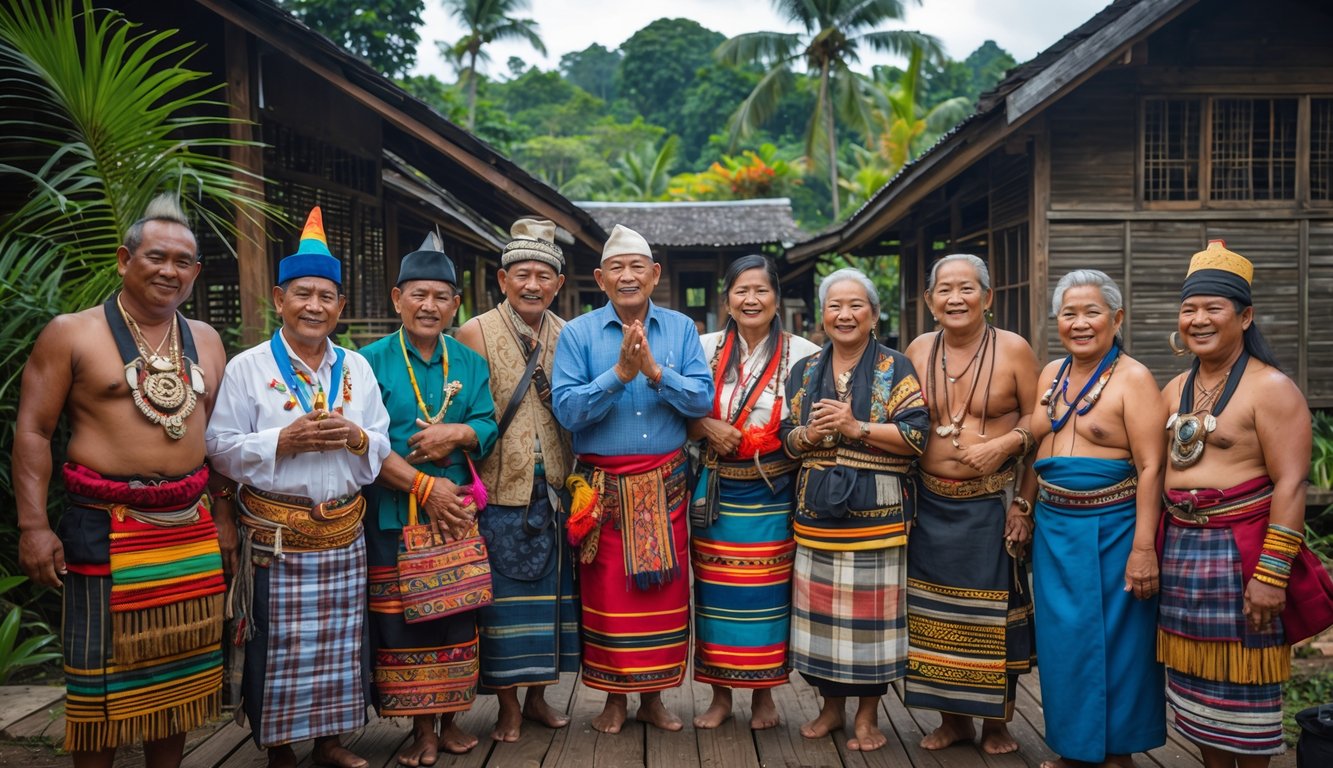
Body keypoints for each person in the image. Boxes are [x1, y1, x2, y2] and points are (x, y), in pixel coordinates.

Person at [13, 194, 230, 768]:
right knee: (97, 676)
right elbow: (34, 431)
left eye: (182, 262)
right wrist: (33, 526)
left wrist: (224, 515)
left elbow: (218, 440)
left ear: (195, 273)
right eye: (156, 257)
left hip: (188, 525)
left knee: (179, 670)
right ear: (124, 259)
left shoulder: (206, 339)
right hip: (103, 525)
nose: (169, 271)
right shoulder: (72, 333)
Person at [206, 207, 390, 768]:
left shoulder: (356, 368)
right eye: (303, 294)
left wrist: (357, 437)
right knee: (280, 644)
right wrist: (281, 442)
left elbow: (381, 444)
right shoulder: (247, 367)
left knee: (340, 641)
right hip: (276, 536)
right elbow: (218, 447)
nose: (315, 306)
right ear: (280, 299)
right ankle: (280, 747)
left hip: (342, 530)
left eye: (326, 296)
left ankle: (330, 742)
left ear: (340, 305)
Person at [1157, 241, 1333, 768]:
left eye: (1213, 308)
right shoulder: (1174, 388)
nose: (1198, 320)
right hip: (1181, 550)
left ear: (1245, 316)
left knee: (1247, 687)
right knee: (1194, 685)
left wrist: (1271, 575)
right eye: (1189, 309)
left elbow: (1292, 484)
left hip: (1243, 553)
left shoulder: (1271, 388)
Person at [551, 224, 712, 734]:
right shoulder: (577, 334)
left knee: (664, 595)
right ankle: (614, 700)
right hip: (603, 492)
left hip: (665, 487)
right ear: (600, 279)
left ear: (655, 275)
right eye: (616, 268)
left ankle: (654, 699)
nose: (627, 276)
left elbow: (702, 400)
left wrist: (656, 373)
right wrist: (619, 375)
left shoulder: (681, 330)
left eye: (637, 267)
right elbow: (567, 411)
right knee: (605, 598)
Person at [1014, 269, 1166, 768]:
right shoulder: (1052, 374)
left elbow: (1152, 466)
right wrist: (1024, 505)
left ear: (1116, 319)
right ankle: (1074, 749)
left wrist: (1143, 547)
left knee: (1119, 643)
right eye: (1069, 314)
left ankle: (1116, 754)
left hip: (1113, 528)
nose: (1079, 323)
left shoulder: (1133, 378)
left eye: (1091, 313)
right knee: (1063, 642)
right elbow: (1039, 446)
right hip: (1054, 530)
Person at [358, 233, 499, 764]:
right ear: (398, 299)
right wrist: (422, 485)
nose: (429, 306)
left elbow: (486, 423)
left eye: (441, 297)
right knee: (403, 623)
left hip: (456, 513)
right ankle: (421, 729)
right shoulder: (367, 362)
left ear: (455, 305)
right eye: (418, 294)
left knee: (457, 615)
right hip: (394, 512)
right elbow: (363, 443)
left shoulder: (468, 362)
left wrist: (458, 434)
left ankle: (451, 720)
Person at [780, 268, 930, 752]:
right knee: (820, 620)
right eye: (834, 306)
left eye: (855, 305)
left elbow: (916, 436)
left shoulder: (895, 367)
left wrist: (855, 427)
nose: (844, 315)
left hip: (877, 515)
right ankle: (830, 709)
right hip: (817, 515)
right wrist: (809, 435)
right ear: (822, 315)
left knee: (871, 626)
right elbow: (787, 439)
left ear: (874, 314)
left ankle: (867, 715)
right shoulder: (805, 370)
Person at [902, 254, 1038, 754]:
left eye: (967, 288)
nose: (955, 299)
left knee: (993, 619)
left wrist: (1022, 501)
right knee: (935, 618)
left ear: (988, 296)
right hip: (929, 503)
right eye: (945, 290)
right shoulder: (918, 350)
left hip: (991, 503)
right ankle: (953, 721)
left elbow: (1039, 423)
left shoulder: (1014, 349)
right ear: (929, 300)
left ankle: (996, 725)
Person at [456, 219, 579, 743]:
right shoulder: (474, 331)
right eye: (522, 274)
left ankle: (537, 699)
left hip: (554, 491)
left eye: (543, 276)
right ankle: (507, 706)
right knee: (501, 608)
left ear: (558, 283)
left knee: (551, 603)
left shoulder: (569, 334)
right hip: (498, 489)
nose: (533, 284)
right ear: (502, 280)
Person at [688, 255, 819, 730]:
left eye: (761, 290)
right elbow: (678, 409)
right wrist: (706, 427)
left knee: (769, 598)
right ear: (726, 300)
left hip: (775, 490)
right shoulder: (702, 347)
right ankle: (720, 695)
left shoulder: (805, 353)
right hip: (717, 492)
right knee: (714, 597)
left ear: (776, 298)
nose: (751, 299)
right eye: (741, 291)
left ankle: (764, 695)